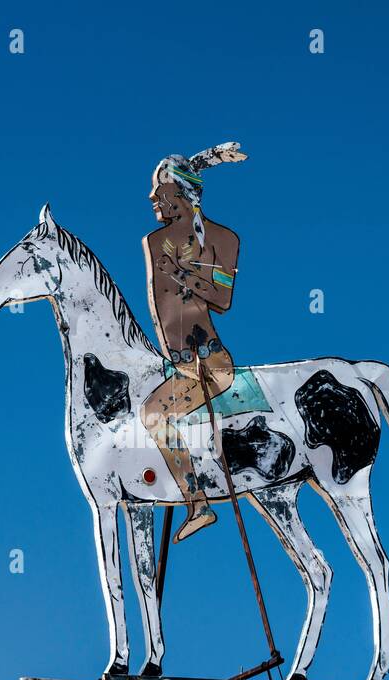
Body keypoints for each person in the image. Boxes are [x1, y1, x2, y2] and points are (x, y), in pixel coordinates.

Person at [139, 142, 246, 543]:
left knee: (154, 415)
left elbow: (222, 298)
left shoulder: (222, 238)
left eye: (160, 190)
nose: (152, 198)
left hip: (209, 362)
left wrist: (183, 273)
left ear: (181, 194)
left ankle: (197, 502)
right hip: (175, 363)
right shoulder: (154, 243)